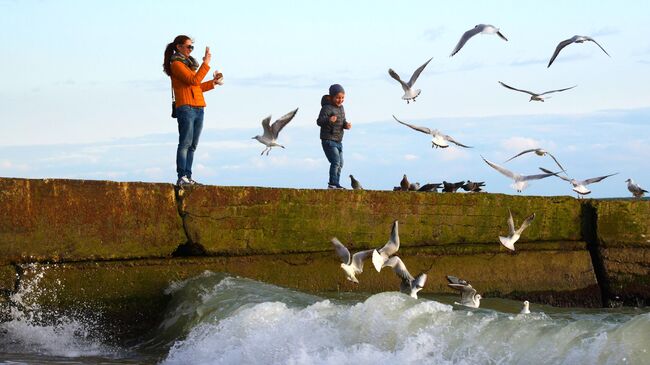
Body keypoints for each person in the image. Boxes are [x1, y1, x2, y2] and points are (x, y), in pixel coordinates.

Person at [163, 35, 223, 187]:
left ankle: (188, 177)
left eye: (192, 47)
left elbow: (197, 87)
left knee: (192, 145)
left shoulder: (188, 66)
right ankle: (182, 176)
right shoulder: (176, 64)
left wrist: (213, 82)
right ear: (179, 47)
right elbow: (194, 81)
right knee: (185, 143)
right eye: (188, 46)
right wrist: (206, 63)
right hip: (186, 107)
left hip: (198, 107)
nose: (190, 50)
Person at [317, 84, 352, 189]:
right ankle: (332, 184)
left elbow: (342, 121)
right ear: (332, 97)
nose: (340, 100)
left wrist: (346, 125)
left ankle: (336, 183)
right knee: (335, 161)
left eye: (342, 98)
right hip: (328, 140)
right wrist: (329, 120)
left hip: (338, 140)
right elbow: (319, 121)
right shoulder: (326, 108)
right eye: (337, 97)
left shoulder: (341, 108)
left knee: (340, 163)